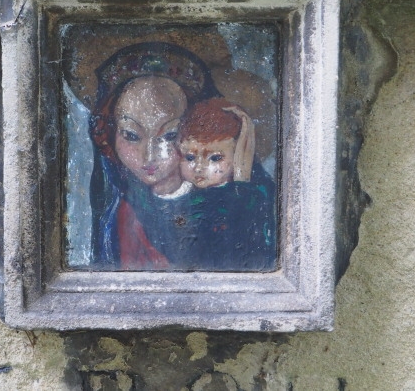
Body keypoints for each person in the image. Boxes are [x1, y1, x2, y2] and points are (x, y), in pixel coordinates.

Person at [88, 42, 219, 269]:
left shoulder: (222, 205)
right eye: (131, 135)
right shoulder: (121, 211)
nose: (149, 156)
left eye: (170, 135)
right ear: (109, 134)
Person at [177, 98, 277, 270]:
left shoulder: (250, 196)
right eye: (190, 157)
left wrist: (241, 178)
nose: (199, 168)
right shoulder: (183, 196)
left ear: (239, 155)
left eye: (215, 158)